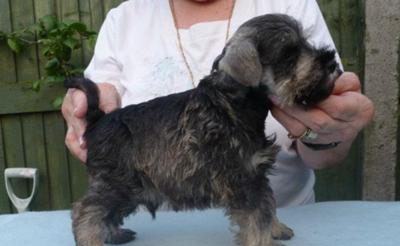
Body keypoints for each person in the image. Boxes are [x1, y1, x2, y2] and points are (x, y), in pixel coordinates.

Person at [61, 0, 374, 207]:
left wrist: (326, 133)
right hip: (160, 245)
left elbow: (327, 138)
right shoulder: (124, 19)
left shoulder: (289, 4)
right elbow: (103, 93)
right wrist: (91, 104)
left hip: (290, 218)